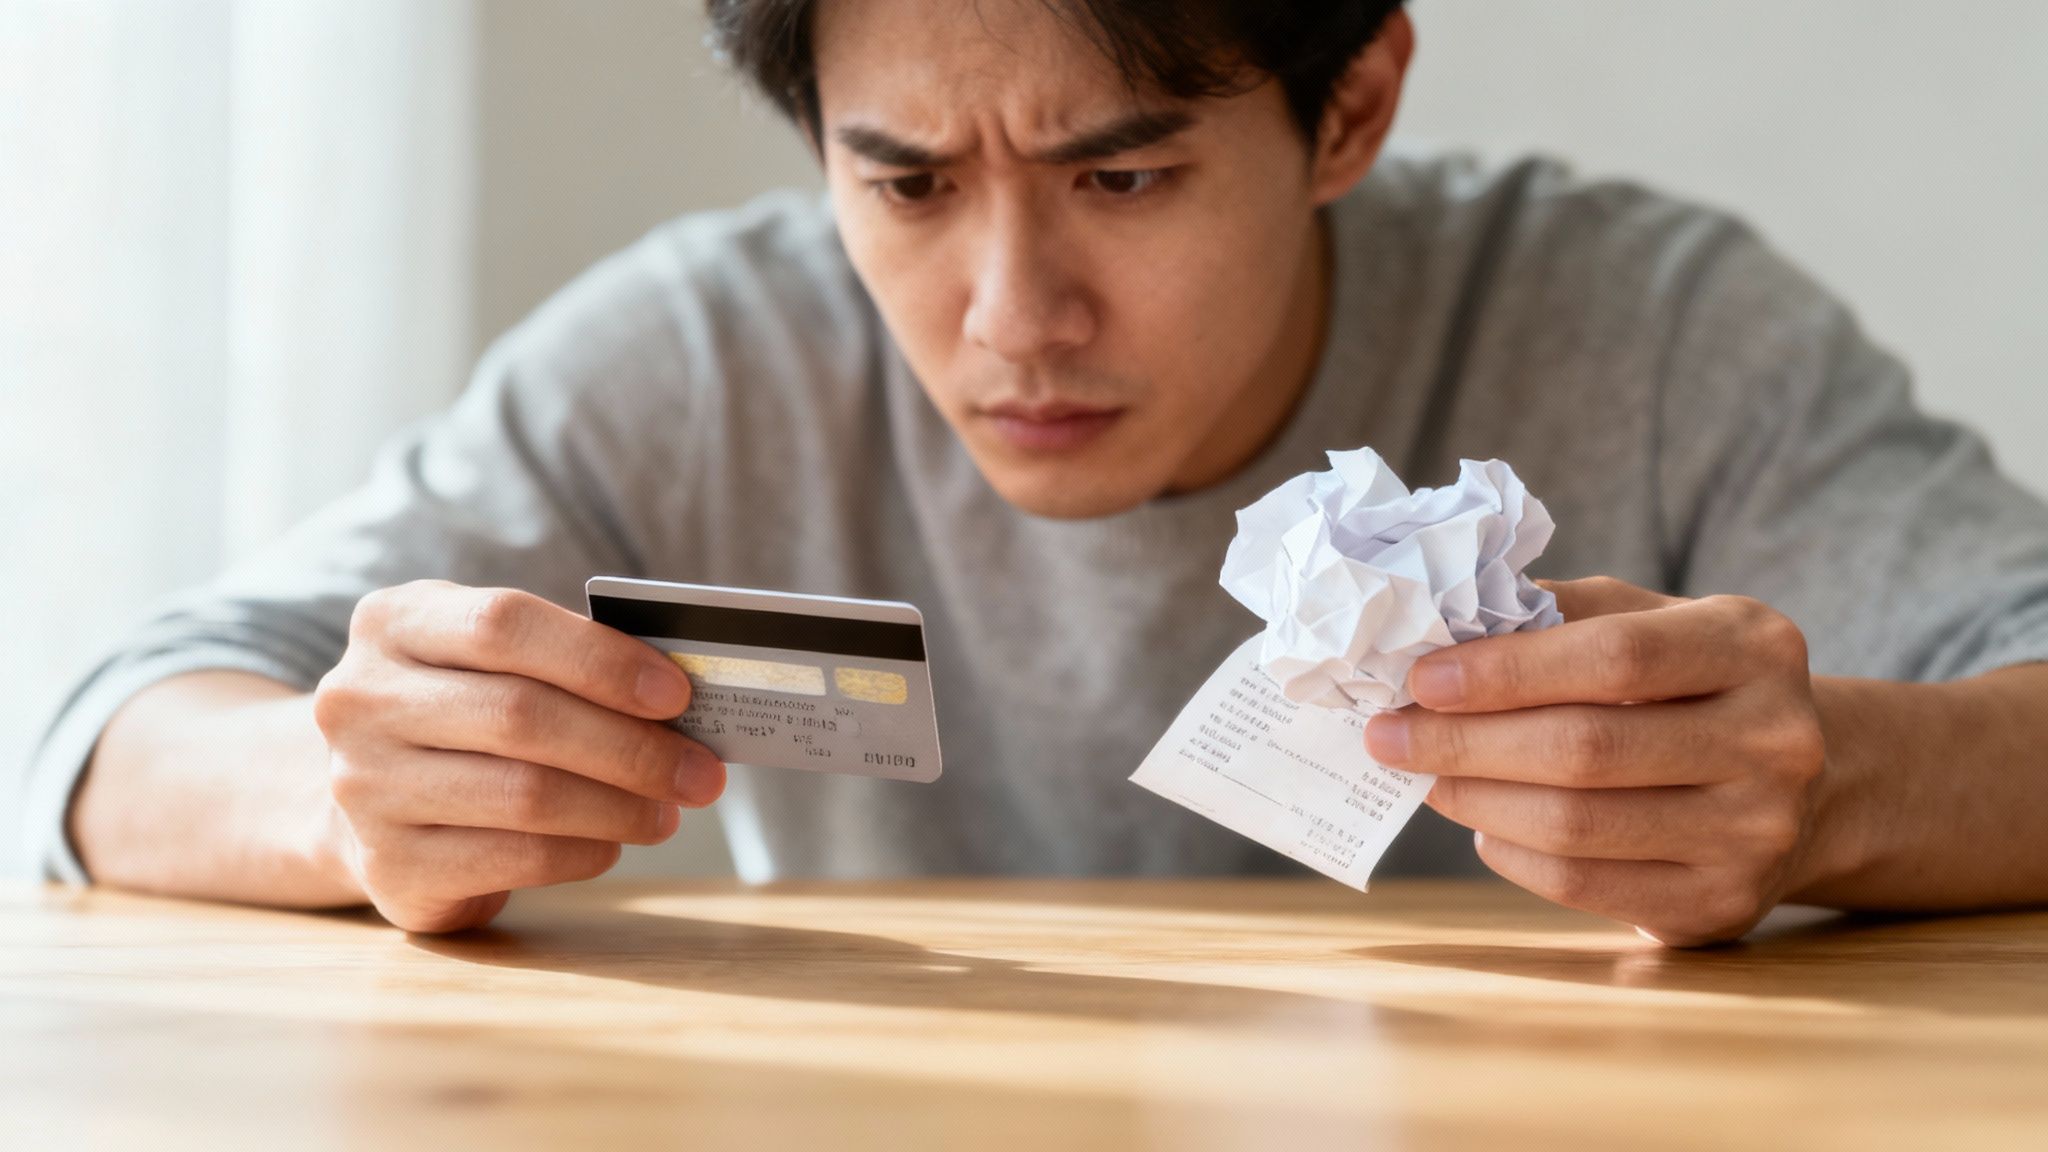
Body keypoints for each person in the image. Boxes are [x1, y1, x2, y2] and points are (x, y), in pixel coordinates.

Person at [25, 0, 2048, 946]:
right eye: (906, 185)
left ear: (1351, 104)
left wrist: (1832, 790)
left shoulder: (1644, 321)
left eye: (1124, 177)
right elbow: (106, 737)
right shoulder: (706, 354)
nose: (1013, 318)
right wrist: (345, 792)